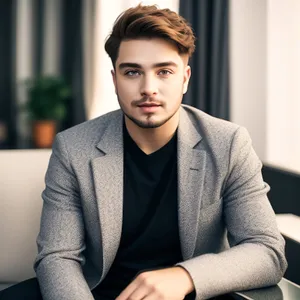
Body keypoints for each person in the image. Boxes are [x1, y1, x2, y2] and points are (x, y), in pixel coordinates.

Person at [0, 4, 287, 300]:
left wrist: (184, 276)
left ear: (185, 78)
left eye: (164, 71)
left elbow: (267, 250)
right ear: (115, 80)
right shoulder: (73, 148)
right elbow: (58, 257)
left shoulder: (228, 143)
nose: (148, 88)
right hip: (96, 293)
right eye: (132, 72)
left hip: (191, 293)